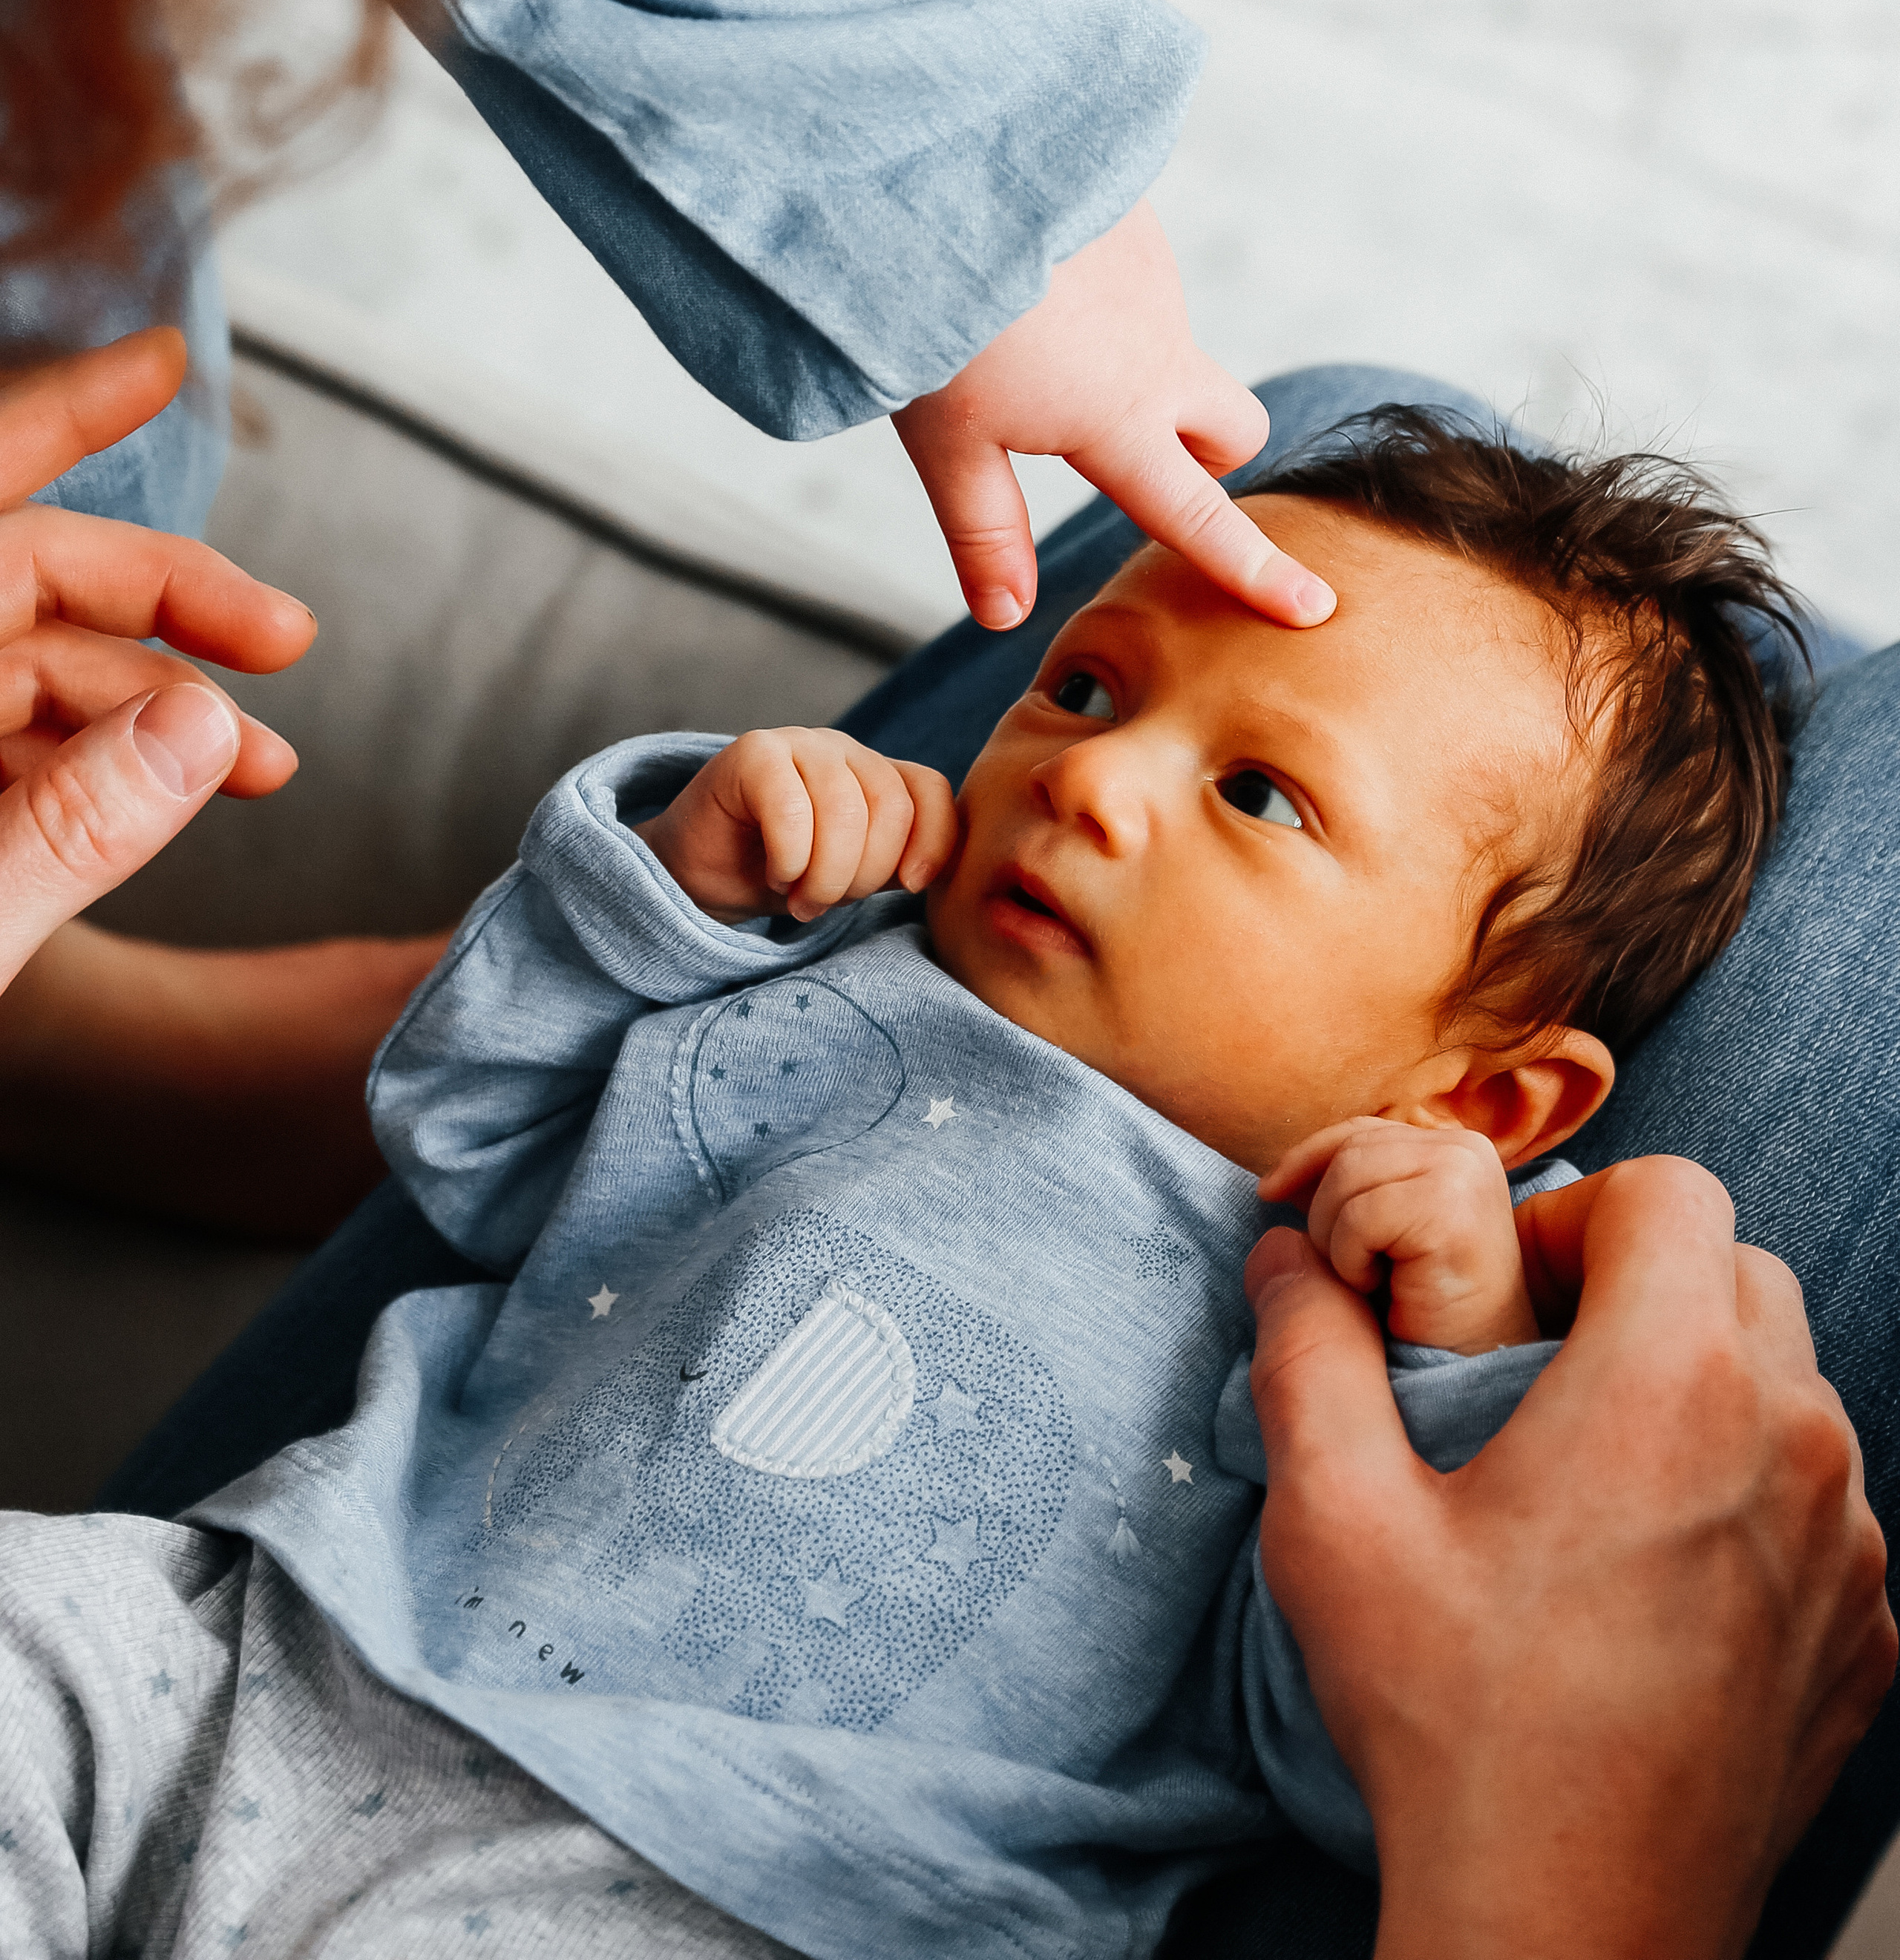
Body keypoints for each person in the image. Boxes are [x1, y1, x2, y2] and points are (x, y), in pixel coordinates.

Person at [0, 409, 1881, 1959]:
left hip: (754, 1900)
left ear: (1480, 1089)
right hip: (256, 1647)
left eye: (1259, 796)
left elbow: (1361, 1753)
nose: (1089, 779)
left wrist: (1464, 1352)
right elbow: (466, 1137)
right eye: (1080, 680)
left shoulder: (1346, 1317)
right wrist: (676, 885)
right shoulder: (832, 978)